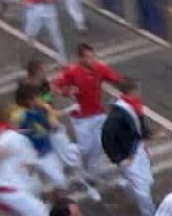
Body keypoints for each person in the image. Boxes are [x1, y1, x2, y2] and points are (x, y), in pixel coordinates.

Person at [21, 59, 100, 200]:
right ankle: (78, 183)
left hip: (48, 126)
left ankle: (76, 179)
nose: (44, 72)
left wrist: (65, 91)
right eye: (42, 70)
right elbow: (49, 112)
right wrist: (71, 108)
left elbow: (51, 93)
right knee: (68, 157)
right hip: (48, 129)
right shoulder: (30, 95)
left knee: (65, 158)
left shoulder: (41, 84)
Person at [53, 43, 123, 183]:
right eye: (89, 57)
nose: (93, 60)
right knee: (85, 149)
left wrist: (125, 86)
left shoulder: (99, 68)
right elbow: (54, 85)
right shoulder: (71, 72)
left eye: (93, 56)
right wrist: (66, 91)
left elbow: (116, 79)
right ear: (80, 58)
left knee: (98, 145)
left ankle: (92, 173)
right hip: (81, 117)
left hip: (98, 113)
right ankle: (66, 153)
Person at [101, 77, 156, 216]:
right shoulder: (118, 114)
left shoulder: (133, 107)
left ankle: (127, 187)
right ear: (132, 91)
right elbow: (107, 137)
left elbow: (139, 129)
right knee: (143, 190)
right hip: (128, 155)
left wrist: (144, 141)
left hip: (136, 149)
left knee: (146, 181)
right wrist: (118, 158)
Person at [9, 82, 67, 195]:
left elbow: (51, 126)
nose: (40, 99)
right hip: (30, 154)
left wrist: (52, 124)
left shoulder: (42, 109)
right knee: (35, 187)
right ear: (29, 100)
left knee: (59, 180)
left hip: (46, 150)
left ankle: (56, 197)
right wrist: (28, 131)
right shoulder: (18, 115)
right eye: (37, 97)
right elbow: (12, 132)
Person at [17, 0, 66, 65]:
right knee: (30, 35)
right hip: (33, 9)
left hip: (48, 7)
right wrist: (26, 3)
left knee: (55, 34)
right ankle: (29, 56)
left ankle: (63, 59)